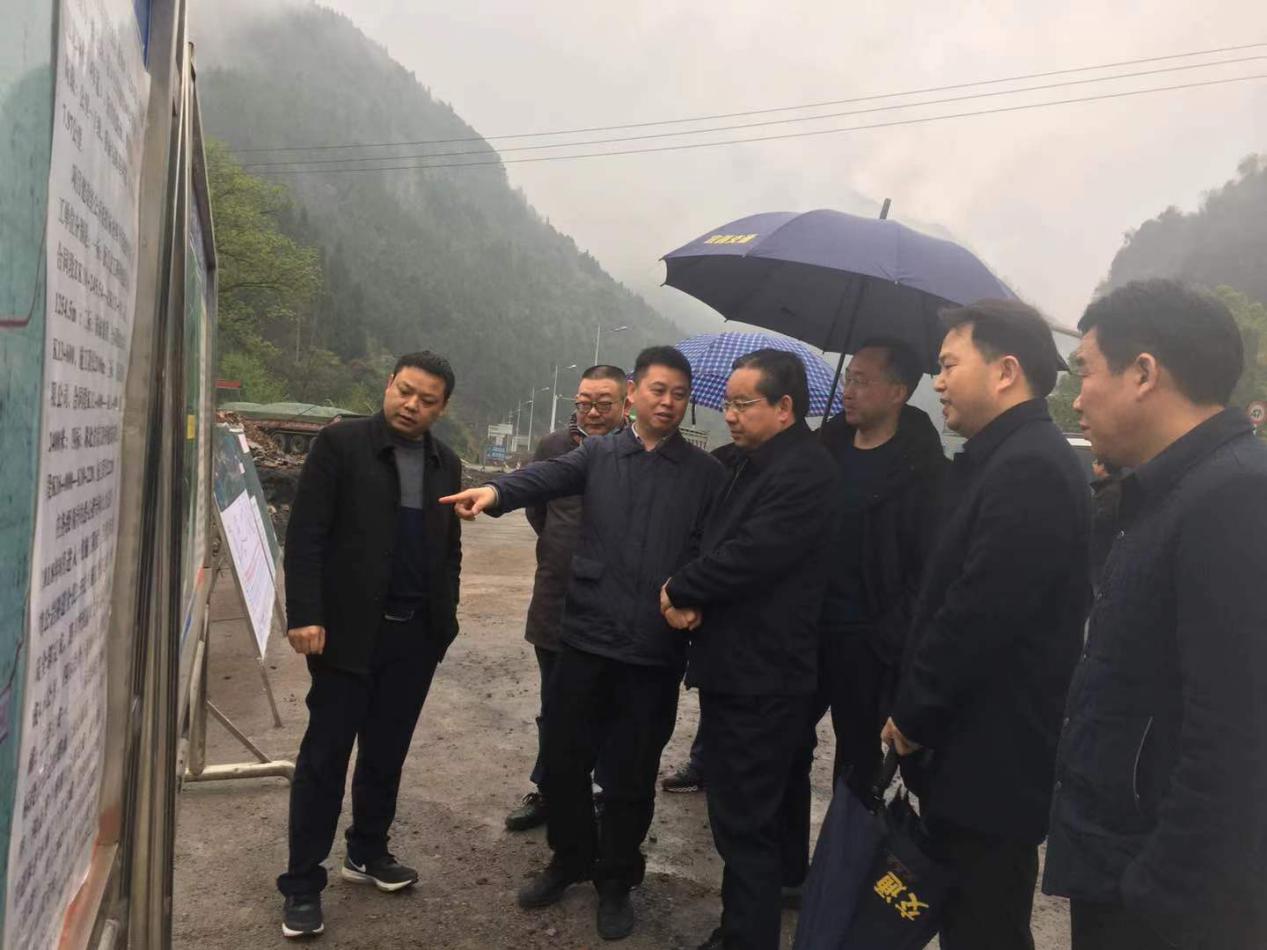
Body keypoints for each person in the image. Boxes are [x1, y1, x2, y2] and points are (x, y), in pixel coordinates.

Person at [442, 346, 723, 942]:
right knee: (565, 760)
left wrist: (694, 592)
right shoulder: (598, 453)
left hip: (652, 649)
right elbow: (543, 478)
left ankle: (616, 878)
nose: (667, 403)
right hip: (587, 635)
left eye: (678, 394)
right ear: (634, 395)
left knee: (632, 772)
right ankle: (569, 858)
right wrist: (494, 494)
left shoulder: (704, 474)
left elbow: (713, 545)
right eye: (657, 390)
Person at [1043, 279, 1267, 950]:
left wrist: (1158, 893)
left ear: (1143, 373)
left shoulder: (1234, 497)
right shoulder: (1166, 492)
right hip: (1118, 867)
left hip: (1156, 905)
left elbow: (1235, 735)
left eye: (1085, 371)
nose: (1078, 397)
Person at [881, 301, 1090, 950]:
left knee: (984, 926)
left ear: (1004, 372)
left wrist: (912, 715)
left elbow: (977, 614)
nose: (937, 380)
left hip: (991, 762)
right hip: (969, 755)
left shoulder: (1030, 466)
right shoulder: (998, 457)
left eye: (949, 365)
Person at [277, 351, 463, 939]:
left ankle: (367, 850)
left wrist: (445, 621)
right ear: (389, 384)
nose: (411, 406)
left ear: (442, 408)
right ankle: (302, 883)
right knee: (325, 758)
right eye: (404, 391)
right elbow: (306, 535)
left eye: (426, 400)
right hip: (347, 634)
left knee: (386, 752)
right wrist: (305, 614)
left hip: (414, 636)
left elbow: (449, 549)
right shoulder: (341, 445)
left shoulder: (446, 463)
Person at [661, 349, 842, 950]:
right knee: (747, 814)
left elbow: (752, 553)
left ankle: (745, 938)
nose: (730, 415)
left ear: (784, 407)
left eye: (743, 404)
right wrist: (687, 585)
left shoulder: (805, 472)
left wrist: (679, 589)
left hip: (763, 676)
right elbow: (710, 537)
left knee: (744, 823)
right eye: (727, 403)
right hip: (738, 670)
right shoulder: (748, 463)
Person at [813, 339, 946, 795]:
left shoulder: (924, 472)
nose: (848, 391)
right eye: (848, 378)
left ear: (898, 392)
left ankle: (844, 841)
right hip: (809, 630)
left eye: (862, 381)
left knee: (857, 763)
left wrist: (887, 637)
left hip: (869, 642)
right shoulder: (824, 447)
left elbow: (927, 570)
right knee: (783, 744)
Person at [505, 364, 628, 832]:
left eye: (603, 404)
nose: (592, 413)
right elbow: (537, 510)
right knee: (554, 702)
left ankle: (603, 792)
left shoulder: (635, 451)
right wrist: (562, 546)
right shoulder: (553, 447)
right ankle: (549, 789)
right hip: (555, 596)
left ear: (625, 404)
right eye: (584, 403)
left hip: (613, 603)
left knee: (608, 703)